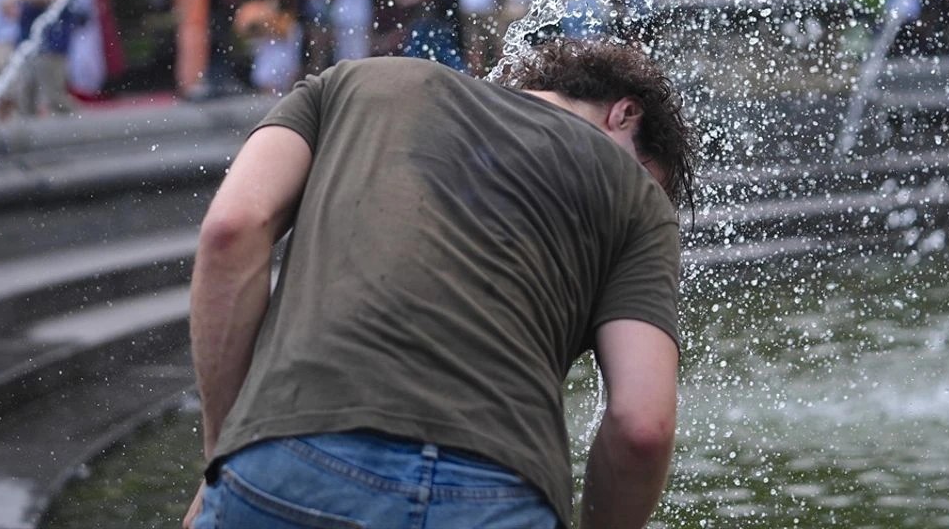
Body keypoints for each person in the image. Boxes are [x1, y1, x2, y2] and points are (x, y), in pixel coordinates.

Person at [183, 38, 694, 529]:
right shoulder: (636, 199)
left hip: (285, 458)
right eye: (650, 174)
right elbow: (641, 426)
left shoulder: (354, 82)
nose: (646, 186)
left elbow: (232, 230)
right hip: (497, 492)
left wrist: (223, 452)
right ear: (624, 114)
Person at [174, 0, 211, 98]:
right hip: (187, 22)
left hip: (200, 21)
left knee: (199, 52)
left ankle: (196, 83)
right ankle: (186, 84)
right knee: (186, 54)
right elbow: (178, 0)